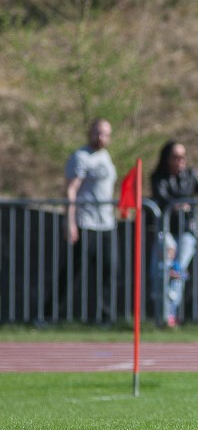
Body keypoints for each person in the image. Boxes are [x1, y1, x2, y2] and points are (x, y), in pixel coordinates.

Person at [150, 140, 198, 327]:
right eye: (176, 157)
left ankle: (171, 314)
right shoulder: (159, 177)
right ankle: (161, 313)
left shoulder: (191, 175)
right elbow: (161, 198)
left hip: (187, 230)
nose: (180, 161)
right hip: (167, 230)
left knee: (178, 271)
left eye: (183, 157)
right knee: (164, 269)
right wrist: (176, 205)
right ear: (167, 158)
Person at [62, 118, 119, 324]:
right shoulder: (81, 157)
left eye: (105, 133)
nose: (101, 137)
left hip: (106, 224)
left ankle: (106, 318)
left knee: (109, 271)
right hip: (86, 222)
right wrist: (70, 222)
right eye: (97, 132)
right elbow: (71, 189)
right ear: (90, 132)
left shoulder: (106, 156)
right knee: (74, 272)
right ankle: (51, 315)